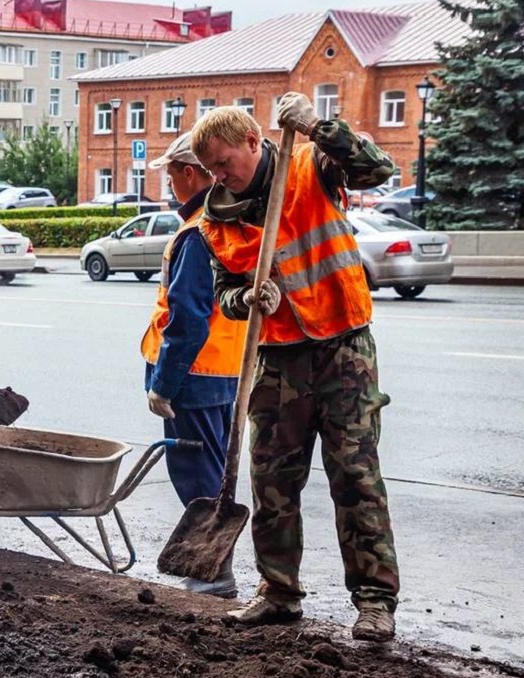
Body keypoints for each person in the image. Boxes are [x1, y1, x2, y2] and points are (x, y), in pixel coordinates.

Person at [189, 95, 400, 641]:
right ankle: (278, 592)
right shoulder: (216, 220)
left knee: (355, 477)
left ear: (252, 142)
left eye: (224, 163)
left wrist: (317, 126)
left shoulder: (309, 164)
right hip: (278, 358)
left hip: (343, 349)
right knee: (272, 483)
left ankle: (375, 601)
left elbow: (377, 168)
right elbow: (225, 291)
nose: (218, 176)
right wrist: (246, 299)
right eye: (210, 169)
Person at [140, 132, 246, 598]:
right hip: (226, 368)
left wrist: (164, 383)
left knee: (197, 474)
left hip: (195, 374)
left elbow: (187, 316)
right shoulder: (229, 222)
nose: (169, 183)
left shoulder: (196, 233)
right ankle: (215, 569)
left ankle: (214, 574)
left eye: (170, 174)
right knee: (215, 470)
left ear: (190, 173)